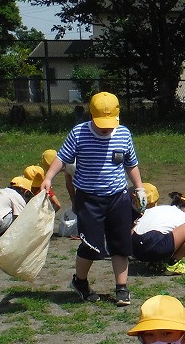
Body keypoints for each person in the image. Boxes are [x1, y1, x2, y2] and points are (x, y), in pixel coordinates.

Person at [40, 91, 147, 307]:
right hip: (89, 199)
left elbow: (131, 164)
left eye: (109, 123)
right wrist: (48, 177)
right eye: (100, 123)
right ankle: (80, 282)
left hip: (118, 197)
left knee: (121, 244)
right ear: (91, 116)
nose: (105, 128)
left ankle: (122, 288)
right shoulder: (79, 133)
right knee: (91, 246)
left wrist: (139, 188)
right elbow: (62, 158)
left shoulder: (123, 134)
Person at [131, 192, 185, 276]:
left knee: (161, 233)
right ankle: (174, 264)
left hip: (135, 249)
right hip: (153, 247)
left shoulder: (156, 209)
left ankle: (154, 262)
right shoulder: (183, 217)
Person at [0, 176, 33, 241]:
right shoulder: (17, 197)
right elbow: (20, 220)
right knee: (16, 216)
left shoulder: (1, 190)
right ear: (26, 192)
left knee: (3, 210)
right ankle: (1, 238)